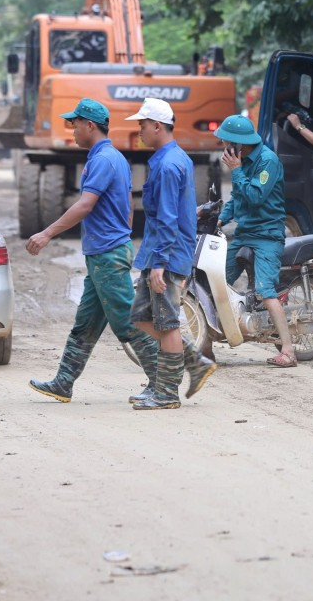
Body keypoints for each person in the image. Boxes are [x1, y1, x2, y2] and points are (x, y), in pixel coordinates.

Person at [27, 98, 215, 405]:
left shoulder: (110, 160)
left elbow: (89, 205)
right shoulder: (117, 158)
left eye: (75, 124)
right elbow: (130, 205)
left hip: (110, 253)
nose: (72, 130)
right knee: (88, 322)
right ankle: (64, 381)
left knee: (134, 323)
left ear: (90, 125)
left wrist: (47, 233)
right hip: (109, 250)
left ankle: (168, 382)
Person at [126, 98, 201, 409]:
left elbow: (168, 218)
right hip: (158, 251)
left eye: (142, 125)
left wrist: (159, 264)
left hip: (166, 255)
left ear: (157, 126)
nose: (139, 130)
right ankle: (191, 362)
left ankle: (167, 393)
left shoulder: (170, 165)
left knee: (167, 323)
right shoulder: (166, 159)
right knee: (140, 318)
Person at [214, 113, 298, 369]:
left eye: (226, 142)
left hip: (267, 236)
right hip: (244, 233)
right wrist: (219, 220)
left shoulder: (266, 161)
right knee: (217, 281)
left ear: (238, 143)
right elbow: (237, 200)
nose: (224, 147)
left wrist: (237, 171)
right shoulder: (241, 160)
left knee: (265, 290)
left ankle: (288, 350)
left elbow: (255, 197)